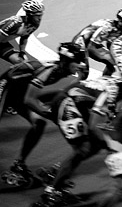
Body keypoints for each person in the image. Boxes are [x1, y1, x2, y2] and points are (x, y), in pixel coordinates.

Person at [30, 66, 122, 207]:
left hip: (78, 103)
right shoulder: (111, 93)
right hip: (67, 103)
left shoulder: (120, 89)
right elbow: (95, 126)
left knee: (94, 146)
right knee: (84, 149)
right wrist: (112, 146)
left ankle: (58, 176)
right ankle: (51, 190)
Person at [1, 42, 88, 188]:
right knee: (42, 117)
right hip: (6, 87)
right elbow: (29, 100)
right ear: (67, 61)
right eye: (77, 62)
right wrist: (48, 113)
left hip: (18, 91)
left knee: (39, 123)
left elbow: (65, 92)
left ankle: (19, 164)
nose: (80, 65)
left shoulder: (62, 69)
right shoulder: (50, 71)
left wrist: (79, 79)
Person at [71, 9, 122, 78]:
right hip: (80, 44)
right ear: (121, 22)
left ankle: (105, 80)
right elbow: (91, 46)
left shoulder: (119, 31)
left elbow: (112, 46)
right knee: (84, 73)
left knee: (112, 62)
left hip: (91, 43)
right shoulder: (107, 26)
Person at [0, 0, 44, 66]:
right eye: (37, 16)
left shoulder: (34, 24)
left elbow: (24, 38)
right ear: (30, 15)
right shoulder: (15, 24)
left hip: (2, 43)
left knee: (22, 63)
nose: (40, 18)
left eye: (41, 15)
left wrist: (22, 51)